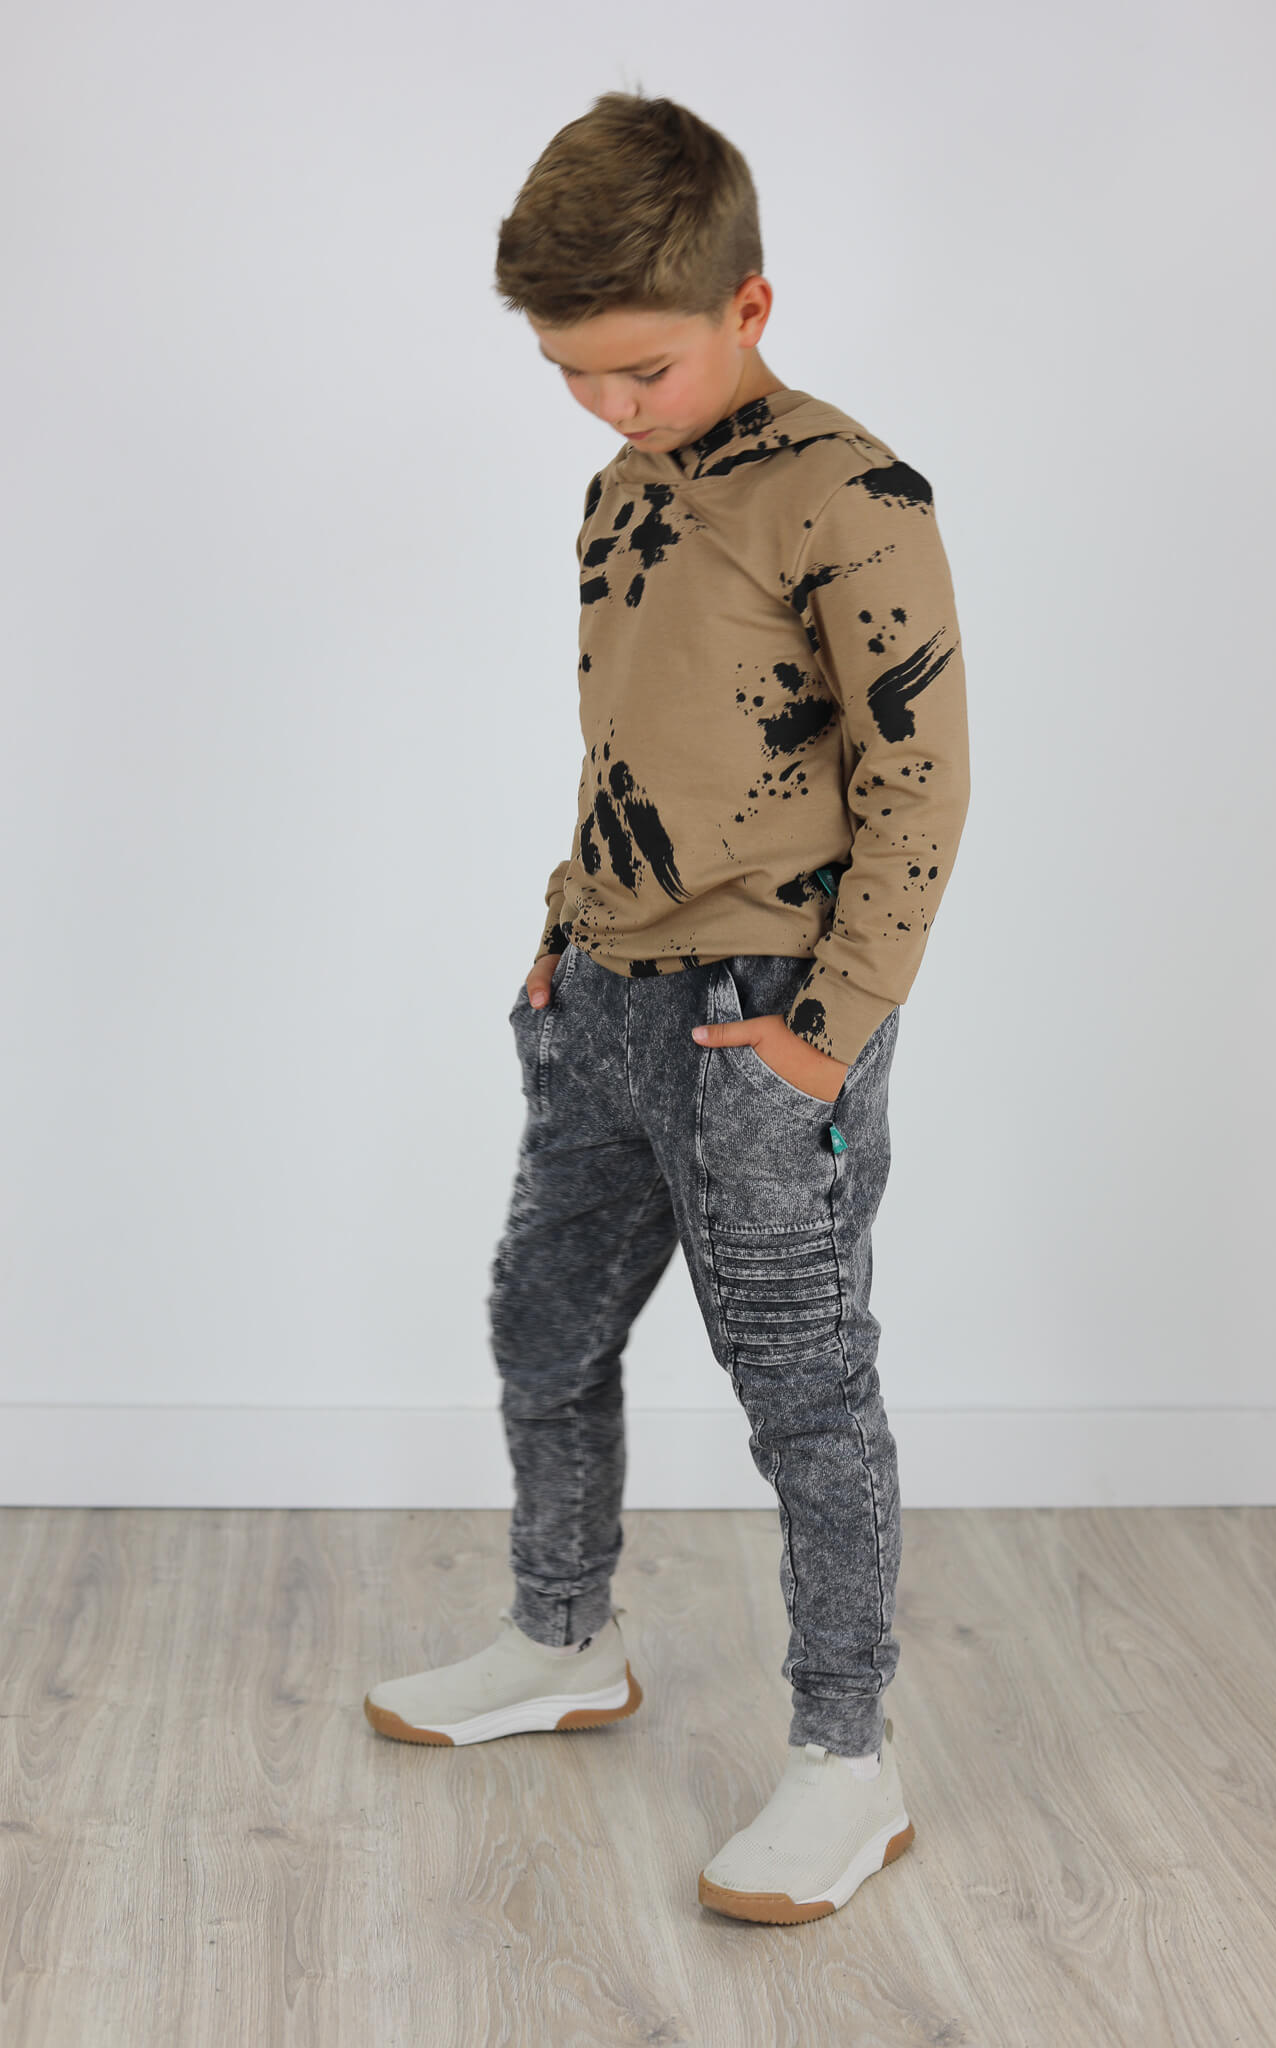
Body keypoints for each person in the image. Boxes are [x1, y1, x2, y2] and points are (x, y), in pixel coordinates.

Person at [364, 89, 971, 1925]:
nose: (611, 407)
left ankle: (844, 1763)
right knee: (538, 1322)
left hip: (765, 1018)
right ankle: (562, 1638)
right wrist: (560, 932)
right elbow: (624, 737)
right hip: (602, 1001)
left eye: (642, 367)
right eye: (572, 375)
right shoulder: (620, 489)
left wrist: (823, 1036)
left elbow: (917, 787)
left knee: (803, 1391)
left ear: (748, 305)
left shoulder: (852, 497)